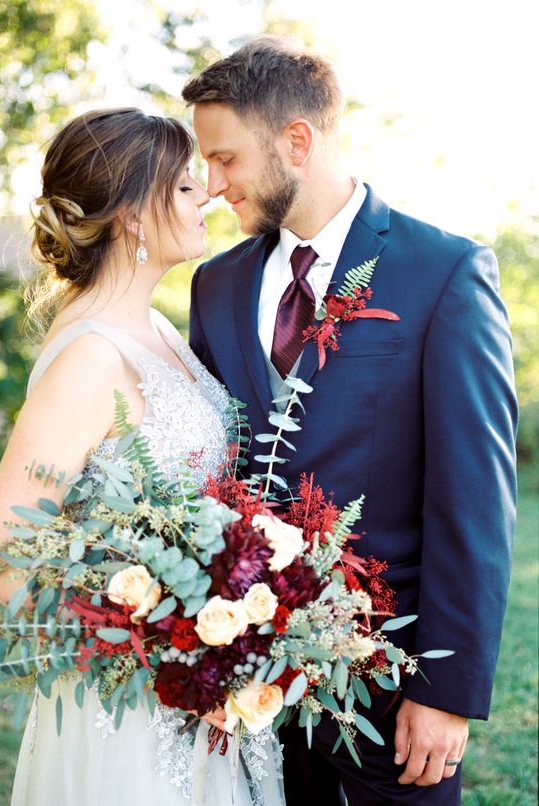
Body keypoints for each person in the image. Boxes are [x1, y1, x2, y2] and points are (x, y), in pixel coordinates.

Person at [183, 36, 518, 805]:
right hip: (249, 680)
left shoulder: (443, 274)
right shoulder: (216, 286)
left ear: (296, 141)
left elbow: (473, 499)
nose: (211, 184)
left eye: (227, 159)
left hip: (393, 685)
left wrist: (448, 688)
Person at [0, 108, 285, 806]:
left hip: (209, 691)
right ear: (133, 216)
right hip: (135, 716)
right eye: (180, 187)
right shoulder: (90, 355)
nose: (206, 194)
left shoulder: (159, 328)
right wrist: (168, 656)